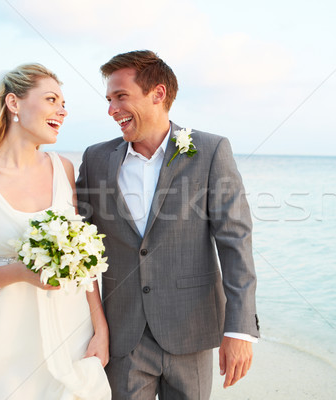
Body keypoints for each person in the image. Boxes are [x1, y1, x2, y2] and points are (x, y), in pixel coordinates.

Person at [76, 50, 259, 399]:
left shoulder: (210, 151)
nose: (112, 109)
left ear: (157, 94)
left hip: (191, 330)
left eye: (120, 97)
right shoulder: (96, 159)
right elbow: (76, 239)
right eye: (109, 99)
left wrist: (239, 329)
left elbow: (235, 242)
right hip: (122, 334)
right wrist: (11, 268)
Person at [0, 63, 111, 399]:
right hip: (11, 340)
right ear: (14, 103)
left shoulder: (62, 168)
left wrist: (100, 329)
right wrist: (16, 272)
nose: (62, 111)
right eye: (51, 99)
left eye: (64, 104)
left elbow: (84, 258)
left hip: (75, 335)